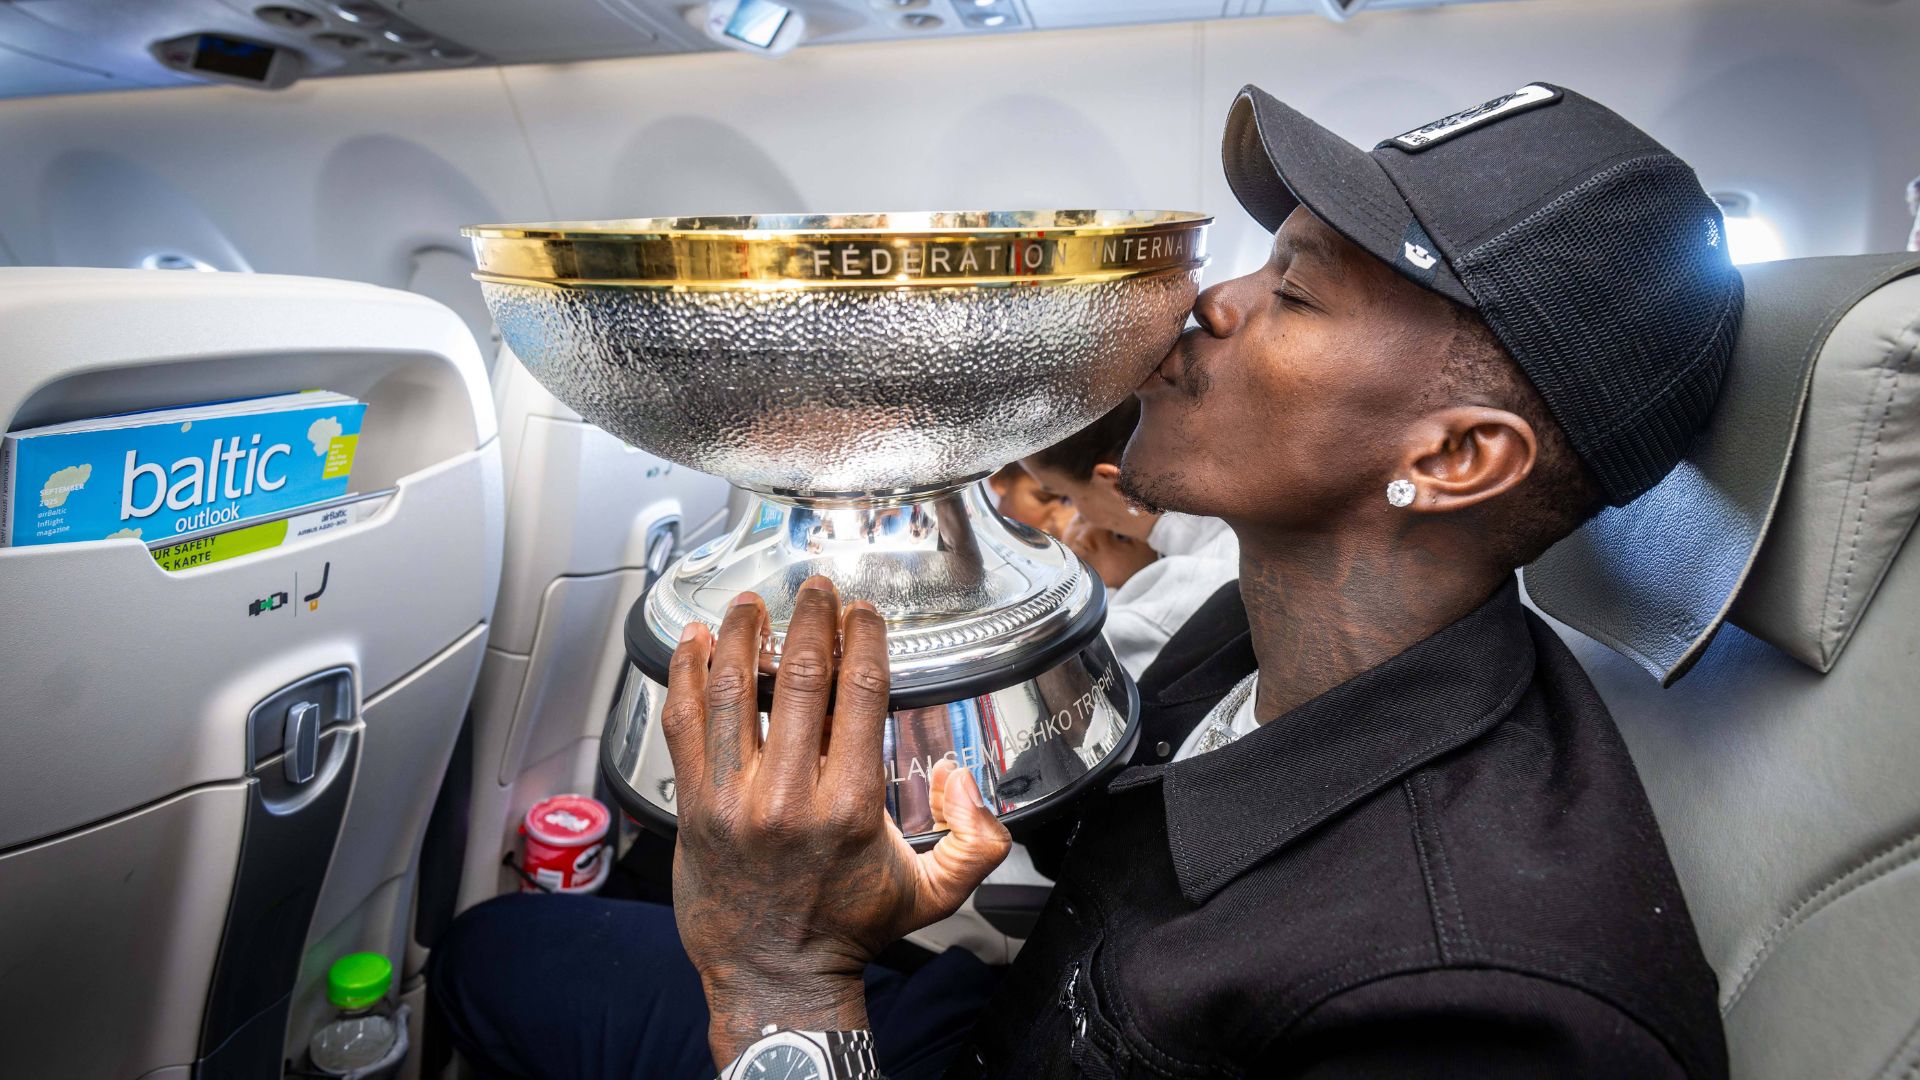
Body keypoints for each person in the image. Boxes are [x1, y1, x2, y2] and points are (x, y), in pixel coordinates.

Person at [432, 81, 1741, 1078]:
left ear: (1455, 456)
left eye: (1296, 292)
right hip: (1033, 1013)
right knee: (500, 947)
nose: (1207, 303)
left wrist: (784, 987)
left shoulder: (1468, 1004)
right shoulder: (1263, 628)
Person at [1021, 395, 1240, 678]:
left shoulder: (1175, 593)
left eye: (1066, 496)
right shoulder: (1232, 529)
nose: (1077, 519)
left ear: (1114, 485)